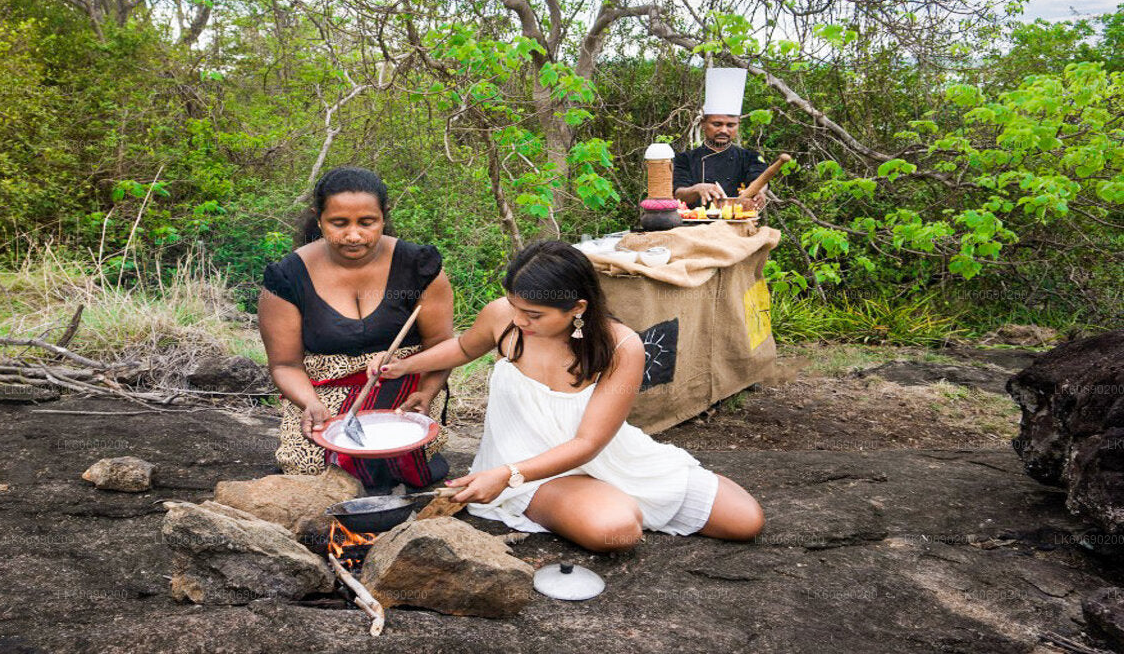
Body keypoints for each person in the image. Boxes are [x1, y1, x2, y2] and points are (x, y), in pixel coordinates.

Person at [368, 241, 764, 552]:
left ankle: (611, 495)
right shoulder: (503, 316)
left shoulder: (621, 346)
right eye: (516, 307)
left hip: (598, 455)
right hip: (523, 465)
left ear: (577, 308)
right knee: (617, 531)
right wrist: (403, 365)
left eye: (534, 315)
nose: (520, 321)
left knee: (747, 522)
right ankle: (597, 504)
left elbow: (589, 442)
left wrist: (504, 477)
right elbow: (463, 348)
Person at [259, 167, 455, 493]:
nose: (354, 235)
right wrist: (309, 402)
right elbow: (285, 364)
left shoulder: (418, 266)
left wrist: (427, 393)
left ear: (383, 216)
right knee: (312, 469)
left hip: (405, 382)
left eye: (367, 223)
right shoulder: (287, 276)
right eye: (339, 223)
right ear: (318, 218)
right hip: (323, 391)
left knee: (392, 456)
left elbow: (441, 345)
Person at [673, 113, 770, 209]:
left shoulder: (750, 157)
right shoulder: (684, 159)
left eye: (730, 125)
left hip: (738, 222)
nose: (724, 130)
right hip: (693, 222)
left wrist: (759, 191)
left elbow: (759, 179)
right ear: (703, 124)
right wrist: (696, 189)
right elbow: (678, 194)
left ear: (738, 125)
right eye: (717, 124)